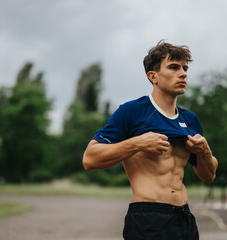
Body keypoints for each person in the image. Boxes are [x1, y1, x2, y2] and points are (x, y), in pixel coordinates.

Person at [82, 40, 218, 240]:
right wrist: (138, 143)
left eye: (185, 68)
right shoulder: (132, 111)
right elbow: (89, 159)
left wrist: (205, 152)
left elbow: (208, 175)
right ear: (153, 76)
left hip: (184, 217)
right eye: (173, 67)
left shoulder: (190, 120)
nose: (183, 73)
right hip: (148, 217)